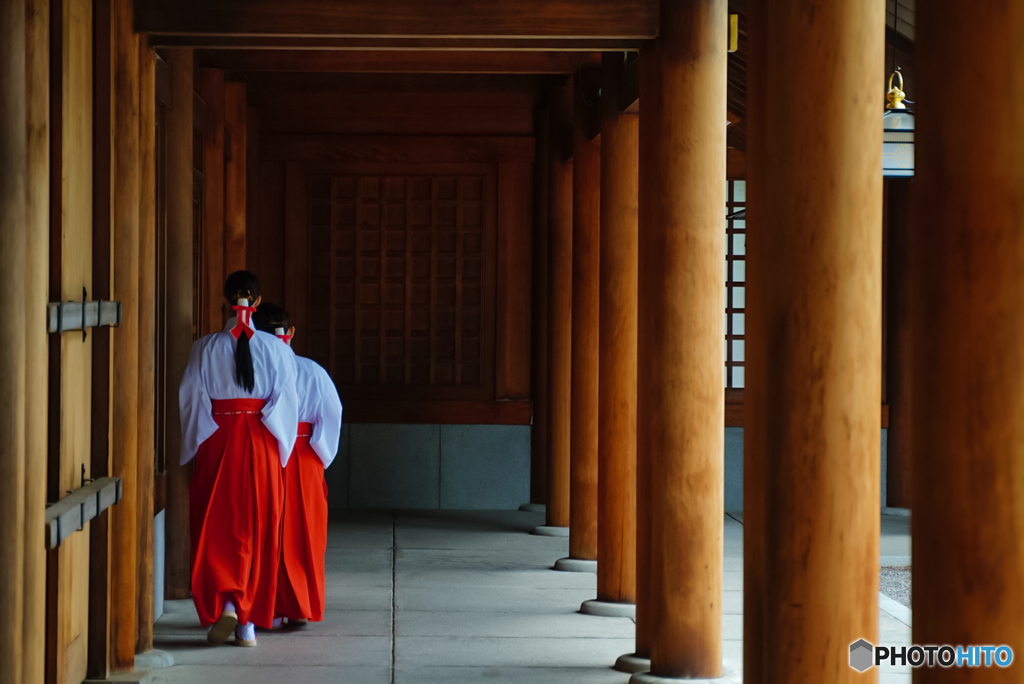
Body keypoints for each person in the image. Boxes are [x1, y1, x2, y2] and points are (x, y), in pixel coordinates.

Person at [178, 271, 298, 647]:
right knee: (260, 525)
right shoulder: (277, 349)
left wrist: (195, 446)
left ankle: (227, 601)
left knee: (218, 525)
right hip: (261, 441)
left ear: (224, 300)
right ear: (257, 303)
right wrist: (280, 446)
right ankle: (247, 622)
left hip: (219, 439)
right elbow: (286, 402)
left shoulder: (205, 347)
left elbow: (191, 400)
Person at [253, 303, 342, 626]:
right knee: (305, 532)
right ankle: (300, 604)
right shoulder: (311, 370)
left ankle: (263, 606)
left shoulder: (252, 367)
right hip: (304, 455)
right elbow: (331, 417)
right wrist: (318, 455)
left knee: (264, 529)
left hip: (264, 451)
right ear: (290, 333)